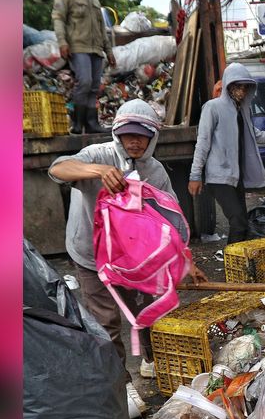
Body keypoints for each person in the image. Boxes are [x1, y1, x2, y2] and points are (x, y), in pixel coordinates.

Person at [49, 100, 207, 376]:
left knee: (149, 309)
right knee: (106, 321)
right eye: (128, 134)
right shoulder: (99, 154)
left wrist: (186, 260)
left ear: (153, 137)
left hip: (136, 259)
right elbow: (58, 169)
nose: (134, 142)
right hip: (91, 255)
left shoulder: (155, 172)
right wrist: (97, 170)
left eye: (142, 135)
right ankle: (119, 386)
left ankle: (153, 361)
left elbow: (169, 219)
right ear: (117, 134)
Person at [188, 63, 265, 246]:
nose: (241, 91)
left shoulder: (243, 111)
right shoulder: (213, 108)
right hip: (218, 178)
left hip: (236, 177)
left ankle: (240, 264)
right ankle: (232, 265)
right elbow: (202, 143)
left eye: (245, 87)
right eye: (237, 86)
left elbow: (259, 136)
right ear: (228, 86)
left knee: (243, 223)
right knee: (238, 222)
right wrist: (195, 175)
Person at [53, 0, 116, 135]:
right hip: (78, 47)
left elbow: (102, 28)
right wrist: (62, 42)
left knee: (94, 85)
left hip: (96, 49)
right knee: (85, 82)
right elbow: (58, 19)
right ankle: (77, 123)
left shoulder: (95, 0)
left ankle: (91, 123)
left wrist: (109, 51)